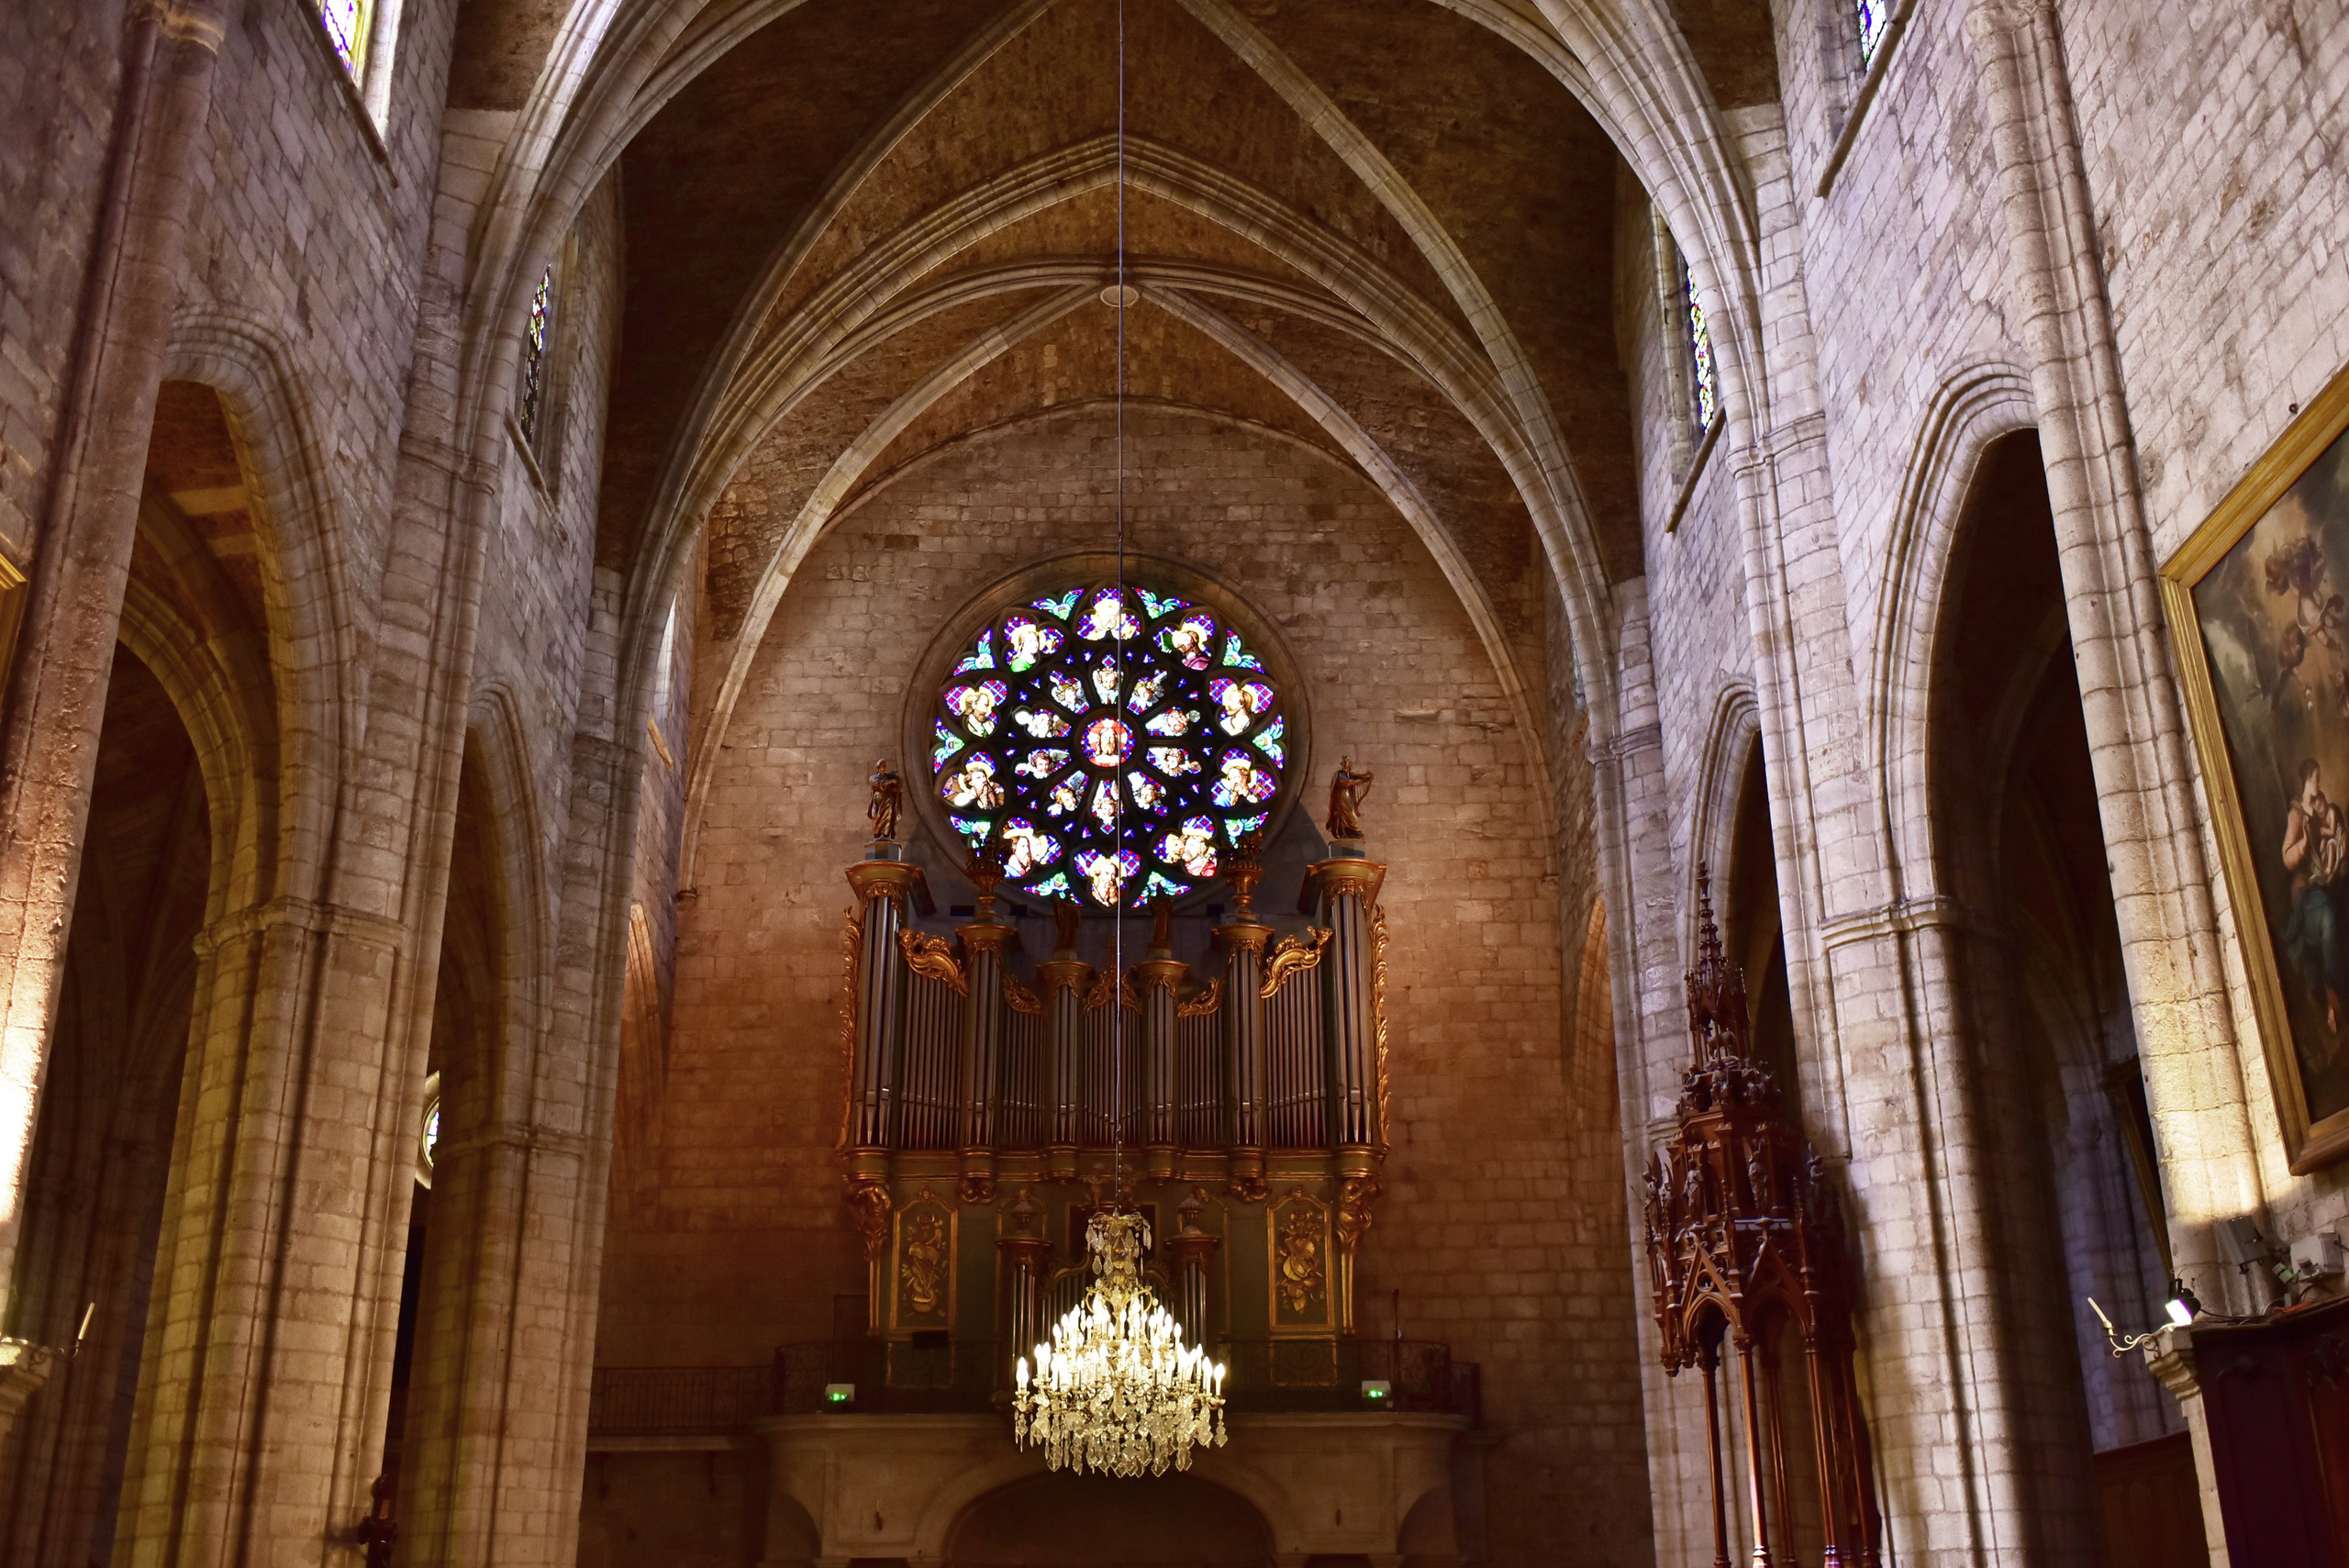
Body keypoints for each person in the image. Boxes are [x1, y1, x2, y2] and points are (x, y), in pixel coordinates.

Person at [2281, 757, 2349, 1033]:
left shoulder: (2320, 804)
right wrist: (2304, 843)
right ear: (2306, 779)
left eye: (2319, 777)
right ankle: (2338, 998)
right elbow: (2287, 856)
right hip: (2309, 891)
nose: (2318, 782)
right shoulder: (2297, 814)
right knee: (2329, 918)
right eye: (2315, 778)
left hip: (2326, 880)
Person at [1326, 756, 1374, 839]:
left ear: (1349, 764)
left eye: (1346, 762)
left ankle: (1349, 832)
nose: (1345, 764)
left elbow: (1354, 778)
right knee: (1346, 814)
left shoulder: (1348, 774)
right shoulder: (1340, 774)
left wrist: (1365, 778)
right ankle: (1350, 831)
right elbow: (1346, 782)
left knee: (1348, 814)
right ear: (1341, 764)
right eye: (1343, 762)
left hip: (1346, 795)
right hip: (1341, 796)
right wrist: (1361, 781)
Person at [867, 759, 904, 840]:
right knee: (877, 816)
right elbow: (879, 783)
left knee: (887, 815)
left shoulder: (888, 776)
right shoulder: (873, 777)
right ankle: (878, 833)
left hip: (888, 799)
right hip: (878, 799)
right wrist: (891, 781)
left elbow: (898, 784)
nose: (884, 767)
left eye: (885, 766)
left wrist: (895, 777)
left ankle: (885, 834)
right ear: (878, 767)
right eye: (882, 765)